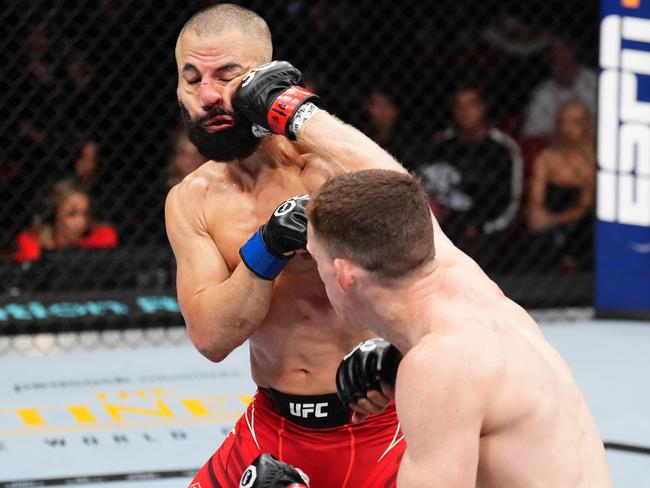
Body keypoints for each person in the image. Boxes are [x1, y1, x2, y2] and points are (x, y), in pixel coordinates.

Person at [165, 5, 407, 487]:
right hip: (272, 426)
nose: (208, 95)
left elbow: (410, 217)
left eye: (226, 75)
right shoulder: (191, 200)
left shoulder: (326, 166)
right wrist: (268, 247)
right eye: (192, 79)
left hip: (384, 425)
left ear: (264, 78)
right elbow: (212, 338)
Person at [304, 169, 613, 487]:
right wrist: (295, 118)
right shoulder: (475, 289)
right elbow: (387, 176)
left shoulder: (437, 365)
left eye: (318, 262)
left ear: (344, 275)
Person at [415, 85, 523, 270]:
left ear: (483, 107)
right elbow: (424, 187)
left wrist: (481, 227)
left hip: (489, 230)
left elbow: (510, 202)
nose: (466, 112)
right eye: (460, 106)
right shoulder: (441, 145)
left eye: (472, 105)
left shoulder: (503, 149)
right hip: (444, 227)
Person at [527, 99, 596, 271]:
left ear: (587, 125)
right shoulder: (547, 157)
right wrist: (537, 213)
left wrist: (556, 220)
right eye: (564, 122)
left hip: (581, 223)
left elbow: (585, 205)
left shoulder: (594, 159)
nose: (568, 129)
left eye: (575, 122)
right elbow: (536, 199)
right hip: (550, 217)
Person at [15, 178, 118, 262]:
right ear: (54, 215)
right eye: (71, 214)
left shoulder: (101, 238)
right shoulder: (33, 245)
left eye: (85, 214)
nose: (81, 222)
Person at [522, 40, 597, 138]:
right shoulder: (543, 96)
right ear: (551, 66)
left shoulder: (591, 79)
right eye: (560, 61)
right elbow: (531, 134)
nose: (566, 66)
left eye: (570, 60)